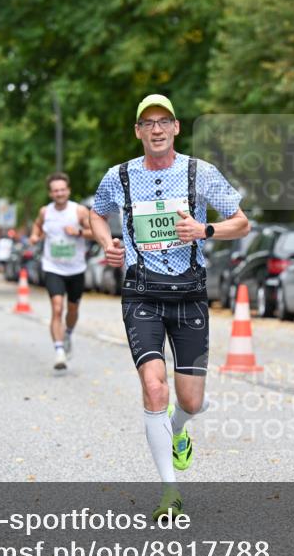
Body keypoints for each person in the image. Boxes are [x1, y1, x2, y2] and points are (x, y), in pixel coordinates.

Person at [91, 94, 250, 520]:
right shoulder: (119, 176)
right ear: (138, 131)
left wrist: (204, 229)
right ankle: (169, 491)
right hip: (141, 293)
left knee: (191, 402)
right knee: (154, 387)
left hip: (189, 294)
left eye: (164, 121)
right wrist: (107, 243)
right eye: (148, 123)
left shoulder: (201, 173)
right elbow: (96, 213)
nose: (157, 129)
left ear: (176, 127)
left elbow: (241, 222)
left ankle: (179, 428)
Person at [30, 172, 93, 370]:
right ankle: (59, 352)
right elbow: (37, 226)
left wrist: (79, 232)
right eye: (55, 190)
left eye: (62, 190)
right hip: (52, 267)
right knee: (57, 308)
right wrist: (34, 236)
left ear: (68, 191)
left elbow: (95, 232)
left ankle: (68, 334)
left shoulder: (79, 211)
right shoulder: (45, 212)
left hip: (76, 268)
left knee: (72, 309)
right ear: (50, 193)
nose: (59, 193)